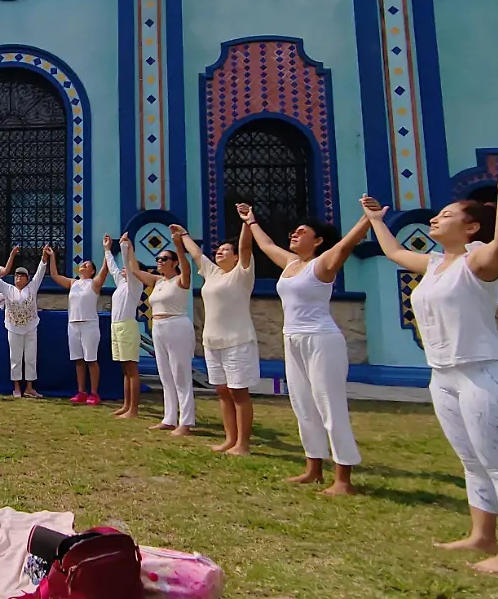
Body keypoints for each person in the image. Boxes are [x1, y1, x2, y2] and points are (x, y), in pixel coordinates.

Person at [361, 149, 498, 575]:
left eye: (445, 214)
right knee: (471, 460)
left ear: (471, 226)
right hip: (443, 375)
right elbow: (393, 255)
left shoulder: (479, 261)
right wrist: (376, 221)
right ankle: (481, 534)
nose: (435, 219)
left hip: (484, 373)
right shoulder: (436, 264)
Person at [239, 202, 374, 495]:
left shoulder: (322, 264)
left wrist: (368, 219)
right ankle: (313, 469)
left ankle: (343, 479)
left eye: (302, 231)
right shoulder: (290, 264)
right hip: (293, 339)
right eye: (294, 231)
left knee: (330, 407)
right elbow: (265, 244)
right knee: (303, 405)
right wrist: (251, 220)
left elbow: (347, 244)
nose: (295, 234)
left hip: (321, 340)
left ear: (319, 241)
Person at [178, 215, 258, 455]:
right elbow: (196, 255)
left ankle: (242, 444)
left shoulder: (242, 274)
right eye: (219, 250)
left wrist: (246, 221)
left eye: (226, 250)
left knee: (238, 392)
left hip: (238, 340)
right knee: (222, 391)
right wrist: (183, 235)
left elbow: (245, 246)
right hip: (213, 342)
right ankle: (229, 439)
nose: (220, 252)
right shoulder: (212, 273)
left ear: (236, 257)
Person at [126, 227, 195, 436]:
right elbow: (134, 271)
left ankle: (186, 421)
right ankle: (169, 418)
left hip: (177, 325)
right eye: (158, 259)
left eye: (164, 259)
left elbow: (186, 267)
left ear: (173, 262)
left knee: (180, 374)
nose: (160, 262)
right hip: (159, 327)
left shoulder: (181, 280)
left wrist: (178, 247)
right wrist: (128, 248)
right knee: (165, 374)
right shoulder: (157, 281)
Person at [0, 246, 49, 398]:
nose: (19, 278)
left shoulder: (32, 287)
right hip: (13, 327)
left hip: (31, 327)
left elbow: (40, 272)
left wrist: (44, 257)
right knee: (15, 357)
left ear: (27, 278)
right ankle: (16, 387)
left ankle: (29, 388)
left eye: (22, 276)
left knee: (30, 357)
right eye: (17, 275)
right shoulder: (8, 289)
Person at [48, 247, 109, 405]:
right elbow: (54, 275)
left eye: (88, 265)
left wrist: (107, 250)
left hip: (89, 324)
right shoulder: (73, 283)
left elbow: (105, 269)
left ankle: (94, 393)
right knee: (79, 360)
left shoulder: (94, 284)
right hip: (73, 324)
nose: (84, 265)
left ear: (93, 271)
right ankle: (81, 392)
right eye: (83, 264)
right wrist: (52, 256)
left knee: (91, 360)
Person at [104, 233, 143, 418]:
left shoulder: (135, 285)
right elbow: (113, 268)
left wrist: (125, 247)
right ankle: (126, 405)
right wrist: (107, 249)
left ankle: (133, 409)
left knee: (132, 369)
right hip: (116, 326)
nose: (123, 270)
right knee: (125, 369)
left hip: (127, 327)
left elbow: (128, 265)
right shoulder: (121, 284)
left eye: (127, 270)